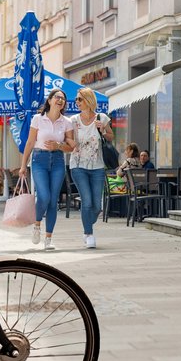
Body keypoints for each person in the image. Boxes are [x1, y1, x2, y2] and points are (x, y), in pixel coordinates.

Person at [19, 89, 75, 250]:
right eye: (57, 97)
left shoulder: (67, 122)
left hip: (58, 160)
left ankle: (48, 239)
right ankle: (37, 225)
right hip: (39, 160)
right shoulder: (38, 119)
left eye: (63, 99)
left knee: (53, 200)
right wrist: (23, 165)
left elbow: (71, 147)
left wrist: (59, 145)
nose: (60, 100)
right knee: (43, 196)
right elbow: (30, 142)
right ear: (50, 100)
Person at [70, 87, 113, 249]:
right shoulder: (73, 120)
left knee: (97, 206)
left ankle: (87, 221)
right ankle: (88, 233)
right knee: (87, 202)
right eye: (76, 100)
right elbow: (68, 139)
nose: (77, 102)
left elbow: (110, 137)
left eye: (79, 99)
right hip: (78, 166)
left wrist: (103, 129)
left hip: (98, 167)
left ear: (88, 101)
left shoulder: (102, 117)